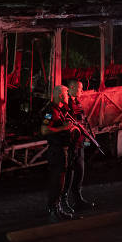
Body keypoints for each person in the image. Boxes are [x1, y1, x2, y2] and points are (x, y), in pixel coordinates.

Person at [41, 85, 76, 222]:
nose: (68, 96)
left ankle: (57, 208)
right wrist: (64, 128)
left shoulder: (59, 110)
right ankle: (53, 210)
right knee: (57, 181)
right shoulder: (50, 111)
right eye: (66, 94)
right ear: (61, 96)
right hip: (56, 151)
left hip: (62, 150)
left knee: (60, 181)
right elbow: (44, 130)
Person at [64, 79, 96, 212]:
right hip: (71, 145)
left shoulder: (77, 102)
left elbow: (82, 120)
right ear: (71, 88)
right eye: (80, 88)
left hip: (80, 143)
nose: (82, 91)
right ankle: (64, 201)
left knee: (80, 172)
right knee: (69, 174)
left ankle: (78, 199)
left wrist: (89, 135)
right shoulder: (66, 103)